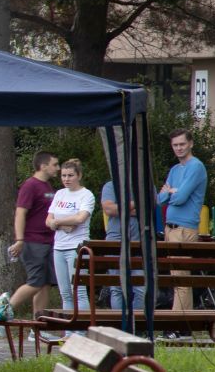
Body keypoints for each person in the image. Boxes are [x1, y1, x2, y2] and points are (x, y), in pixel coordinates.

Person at [156, 129, 206, 316]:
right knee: (175, 278)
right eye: (175, 145)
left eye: (182, 144)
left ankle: (180, 321)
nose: (179, 148)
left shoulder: (196, 166)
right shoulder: (175, 169)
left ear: (191, 144)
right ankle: (178, 319)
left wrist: (171, 192)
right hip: (170, 227)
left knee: (181, 279)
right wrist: (171, 192)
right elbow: (160, 199)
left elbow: (181, 198)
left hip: (184, 228)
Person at [7, 152, 60, 320]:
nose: (58, 168)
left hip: (49, 240)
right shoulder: (30, 185)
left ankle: (38, 325)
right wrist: (19, 239)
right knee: (35, 282)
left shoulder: (48, 186)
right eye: (55, 164)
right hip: (32, 241)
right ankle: (0, 313)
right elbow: (20, 213)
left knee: (45, 284)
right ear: (43, 166)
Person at [46, 158, 96, 316]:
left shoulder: (86, 195)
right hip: (59, 247)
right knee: (65, 293)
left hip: (76, 247)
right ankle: (69, 327)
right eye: (63, 175)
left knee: (78, 291)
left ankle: (82, 328)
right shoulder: (60, 194)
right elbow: (48, 220)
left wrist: (58, 222)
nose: (66, 179)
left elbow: (80, 218)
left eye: (70, 175)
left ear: (79, 175)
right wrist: (64, 224)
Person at [99, 174, 145, 311]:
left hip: (140, 240)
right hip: (115, 240)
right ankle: (120, 323)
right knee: (117, 288)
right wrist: (136, 203)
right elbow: (109, 209)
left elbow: (148, 209)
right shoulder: (110, 186)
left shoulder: (146, 185)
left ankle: (137, 323)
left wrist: (121, 208)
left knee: (140, 287)